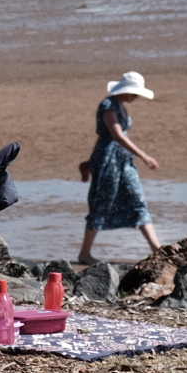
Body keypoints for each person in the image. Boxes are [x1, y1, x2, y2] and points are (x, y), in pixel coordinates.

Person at [76, 71, 162, 265]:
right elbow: (116, 136)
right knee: (102, 202)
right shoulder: (108, 106)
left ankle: (157, 249)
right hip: (109, 161)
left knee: (138, 200)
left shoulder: (121, 106)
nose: (137, 97)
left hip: (124, 162)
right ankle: (84, 253)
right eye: (135, 93)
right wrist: (144, 156)